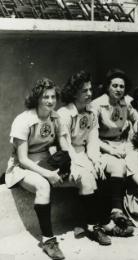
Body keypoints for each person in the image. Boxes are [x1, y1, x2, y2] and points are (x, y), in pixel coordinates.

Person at [4, 78, 98, 259]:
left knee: (85, 178)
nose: (50, 101)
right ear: (37, 98)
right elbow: (22, 159)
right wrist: (48, 174)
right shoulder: (23, 120)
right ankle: (48, 240)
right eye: (45, 97)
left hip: (48, 163)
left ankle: (93, 226)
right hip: (23, 168)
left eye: (53, 96)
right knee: (43, 186)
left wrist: (75, 165)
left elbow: (65, 145)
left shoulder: (55, 117)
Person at [57, 71, 112, 245]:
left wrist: (95, 160)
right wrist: (81, 164)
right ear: (74, 93)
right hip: (65, 156)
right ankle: (93, 225)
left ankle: (103, 220)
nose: (89, 94)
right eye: (84, 91)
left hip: (83, 152)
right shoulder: (64, 114)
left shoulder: (91, 112)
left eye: (90, 89)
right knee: (87, 176)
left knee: (103, 169)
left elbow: (93, 141)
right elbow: (65, 145)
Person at [90, 68, 137, 237]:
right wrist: (110, 150)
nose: (118, 89)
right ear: (107, 87)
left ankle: (132, 212)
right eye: (115, 86)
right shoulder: (97, 104)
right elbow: (92, 136)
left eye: (122, 86)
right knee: (118, 166)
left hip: (123, 144)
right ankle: (116, 210)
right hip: (103, 146)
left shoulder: (127, 102)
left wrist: (132, 138)